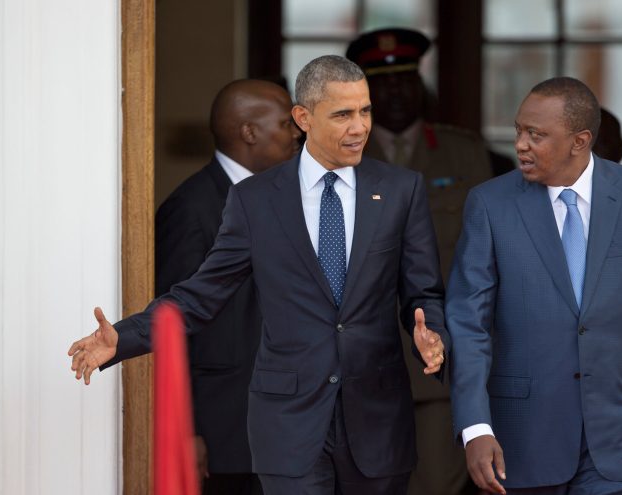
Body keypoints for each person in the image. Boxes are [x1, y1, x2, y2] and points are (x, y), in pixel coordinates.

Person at [69, 55, 447, 495]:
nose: (360, 126)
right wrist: (123, 336)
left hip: (377, 422)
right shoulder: (255, 199)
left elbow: (424, 292)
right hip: (289, 427)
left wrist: (433, 333)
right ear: (303, 118)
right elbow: (200, 295)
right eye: (343, 114)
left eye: (365, 111)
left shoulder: (402, 190)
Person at [446, 77, 622, 494]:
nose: (521, 144)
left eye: (536, 134)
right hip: (522, 443)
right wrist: (475, 426)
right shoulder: (489, 204)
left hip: (621, 441)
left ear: (580, 141)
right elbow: (469, 324)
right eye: (519, 131)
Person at [346, 27, 492, 495]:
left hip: (438, 361)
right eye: (381, 84)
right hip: (359, 357)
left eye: (404, 81)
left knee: (433, 483)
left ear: (420, 86)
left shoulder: (463, 152)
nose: (394, 94)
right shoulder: (337, 155)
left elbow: (486, 257)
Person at [155, 79, 301, 494]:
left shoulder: (279, 195)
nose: (296, 133)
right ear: (249, 132)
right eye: (285, 123)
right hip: (223, 430)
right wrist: (188, 430)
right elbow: (174, 325)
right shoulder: (193, 209)